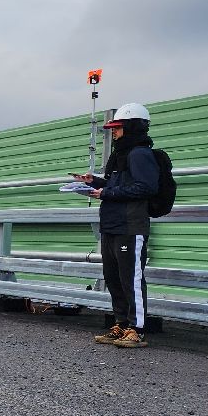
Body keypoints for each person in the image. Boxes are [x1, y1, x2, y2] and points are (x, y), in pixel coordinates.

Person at [71, 102, 158, 348]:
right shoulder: (120, 154)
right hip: (111, 225)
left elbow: (146, 187)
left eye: (118, 128)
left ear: (132, 127)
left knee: (131, 279)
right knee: (113, 277)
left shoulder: (140, 153)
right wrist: (94, 182)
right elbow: (118, 185)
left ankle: (137, 329)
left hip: (130, 227)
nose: (114, 132)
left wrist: (106, 193)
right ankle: (121, 323)